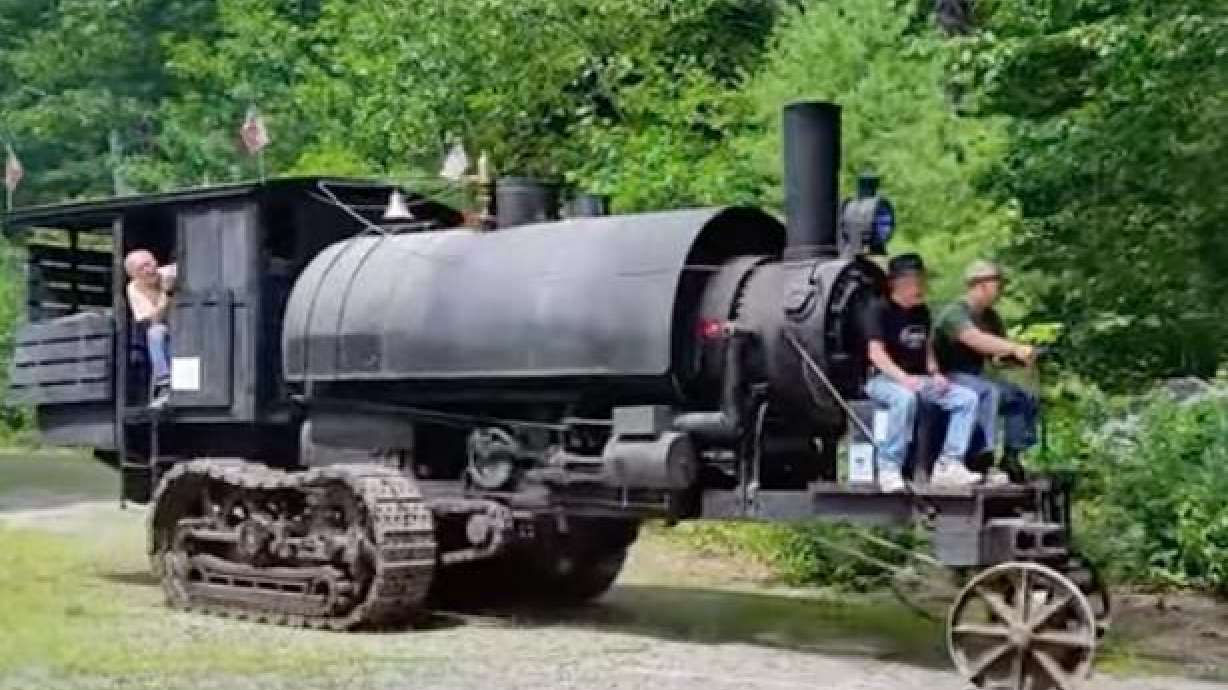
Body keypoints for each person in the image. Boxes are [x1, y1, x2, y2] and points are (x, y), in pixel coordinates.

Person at [862, 253, 982, 491]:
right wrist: (902, 378)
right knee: (903, 399)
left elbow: (926, 346)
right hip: (883, 379)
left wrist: (935, 372)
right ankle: (889, 466)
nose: (921, 288)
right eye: (916, 282)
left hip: (919, 378)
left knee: (966, 398)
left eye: (922, 281)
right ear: (898, 283)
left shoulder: (921, 311)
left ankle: (949, 464)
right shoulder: (879, 309)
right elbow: (876, 354)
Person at [933, 260, 1038, 483]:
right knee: (988, 392)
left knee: (1019, 396)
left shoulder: (991, 317)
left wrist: (1019, 358)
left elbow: (995, 356)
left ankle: (1012, 456)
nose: (1001, 290)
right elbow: (975, 339)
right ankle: (982, 460)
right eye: (998, 285)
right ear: (981, 285)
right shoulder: (955, 313)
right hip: (947, 376)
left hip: (975, 376)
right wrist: (1014, 348)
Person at [124, 249, 176, 408]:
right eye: (142, 268)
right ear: (134, 275)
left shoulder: (172, 272)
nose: (149, 270)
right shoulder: (134, 289)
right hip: (168, 328)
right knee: (155, 333)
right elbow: (154, 320)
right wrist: (167, 293)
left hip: (191, 324)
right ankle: (164, 384)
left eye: (150, 264)